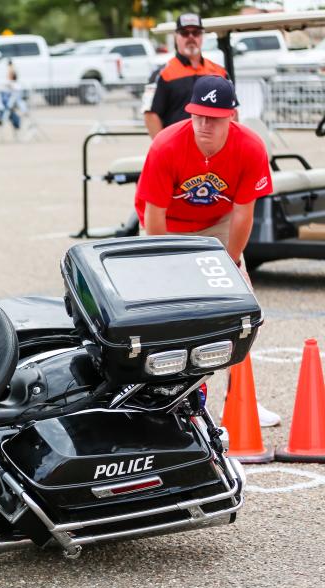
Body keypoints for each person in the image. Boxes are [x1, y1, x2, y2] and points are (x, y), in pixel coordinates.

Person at [135, 75, 280, 427]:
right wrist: (166, 268)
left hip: (217, 224)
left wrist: (231, 263)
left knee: (240, 307)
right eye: (198, 115)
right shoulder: (167, 144)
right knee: (162, 311)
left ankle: (242, 400)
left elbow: (244, 212)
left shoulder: (250, 146)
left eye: (213, 117)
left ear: (231, 116)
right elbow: (154, 215)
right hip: (167, 225)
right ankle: (162, 400)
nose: (204, 124)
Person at [144, 13, 229, 138]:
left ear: (202, 36)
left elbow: (230, 112)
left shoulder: (220, 72)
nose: (190, 37)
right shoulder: (162, 74)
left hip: (212, 146)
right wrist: (162, 148)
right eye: (184, 33)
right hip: (177, 147)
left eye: (196, 33)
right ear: (176, 37)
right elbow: (150, 115)